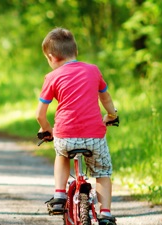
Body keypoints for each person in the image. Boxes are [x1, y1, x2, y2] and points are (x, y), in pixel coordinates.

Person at [35, 27, 118, 225]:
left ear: (51, 57)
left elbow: (39, 114)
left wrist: (47, 129)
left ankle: (59, 195)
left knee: (62, 154)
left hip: (65, 134)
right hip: (95, 136)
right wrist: (112, 115)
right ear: (76, 52)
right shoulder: (93, 70)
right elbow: (105, 97)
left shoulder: (52, 77)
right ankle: (105, 213)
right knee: (103, 173)